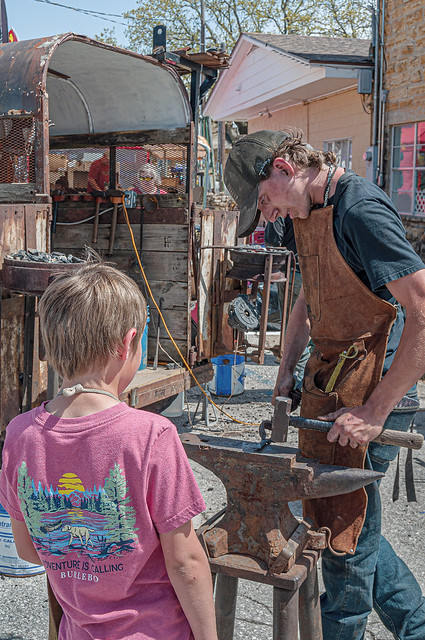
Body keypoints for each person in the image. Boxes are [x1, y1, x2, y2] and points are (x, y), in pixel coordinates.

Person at [224, 127, 425, 639]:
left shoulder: (360, 210)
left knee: (344, 538)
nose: (269, 216)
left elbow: (422, 309)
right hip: (333, 385)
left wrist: (376, 412)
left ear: (284, 168)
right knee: (355, 531)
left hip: (379, 389)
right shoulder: (303, 215)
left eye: (266, 202)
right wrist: (287, 369)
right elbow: (308, 297)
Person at [0, 262, 217, 640]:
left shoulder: (20, 435)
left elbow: (30, 550)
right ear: (127, 342)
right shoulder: (152, 434)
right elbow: (186, 563)